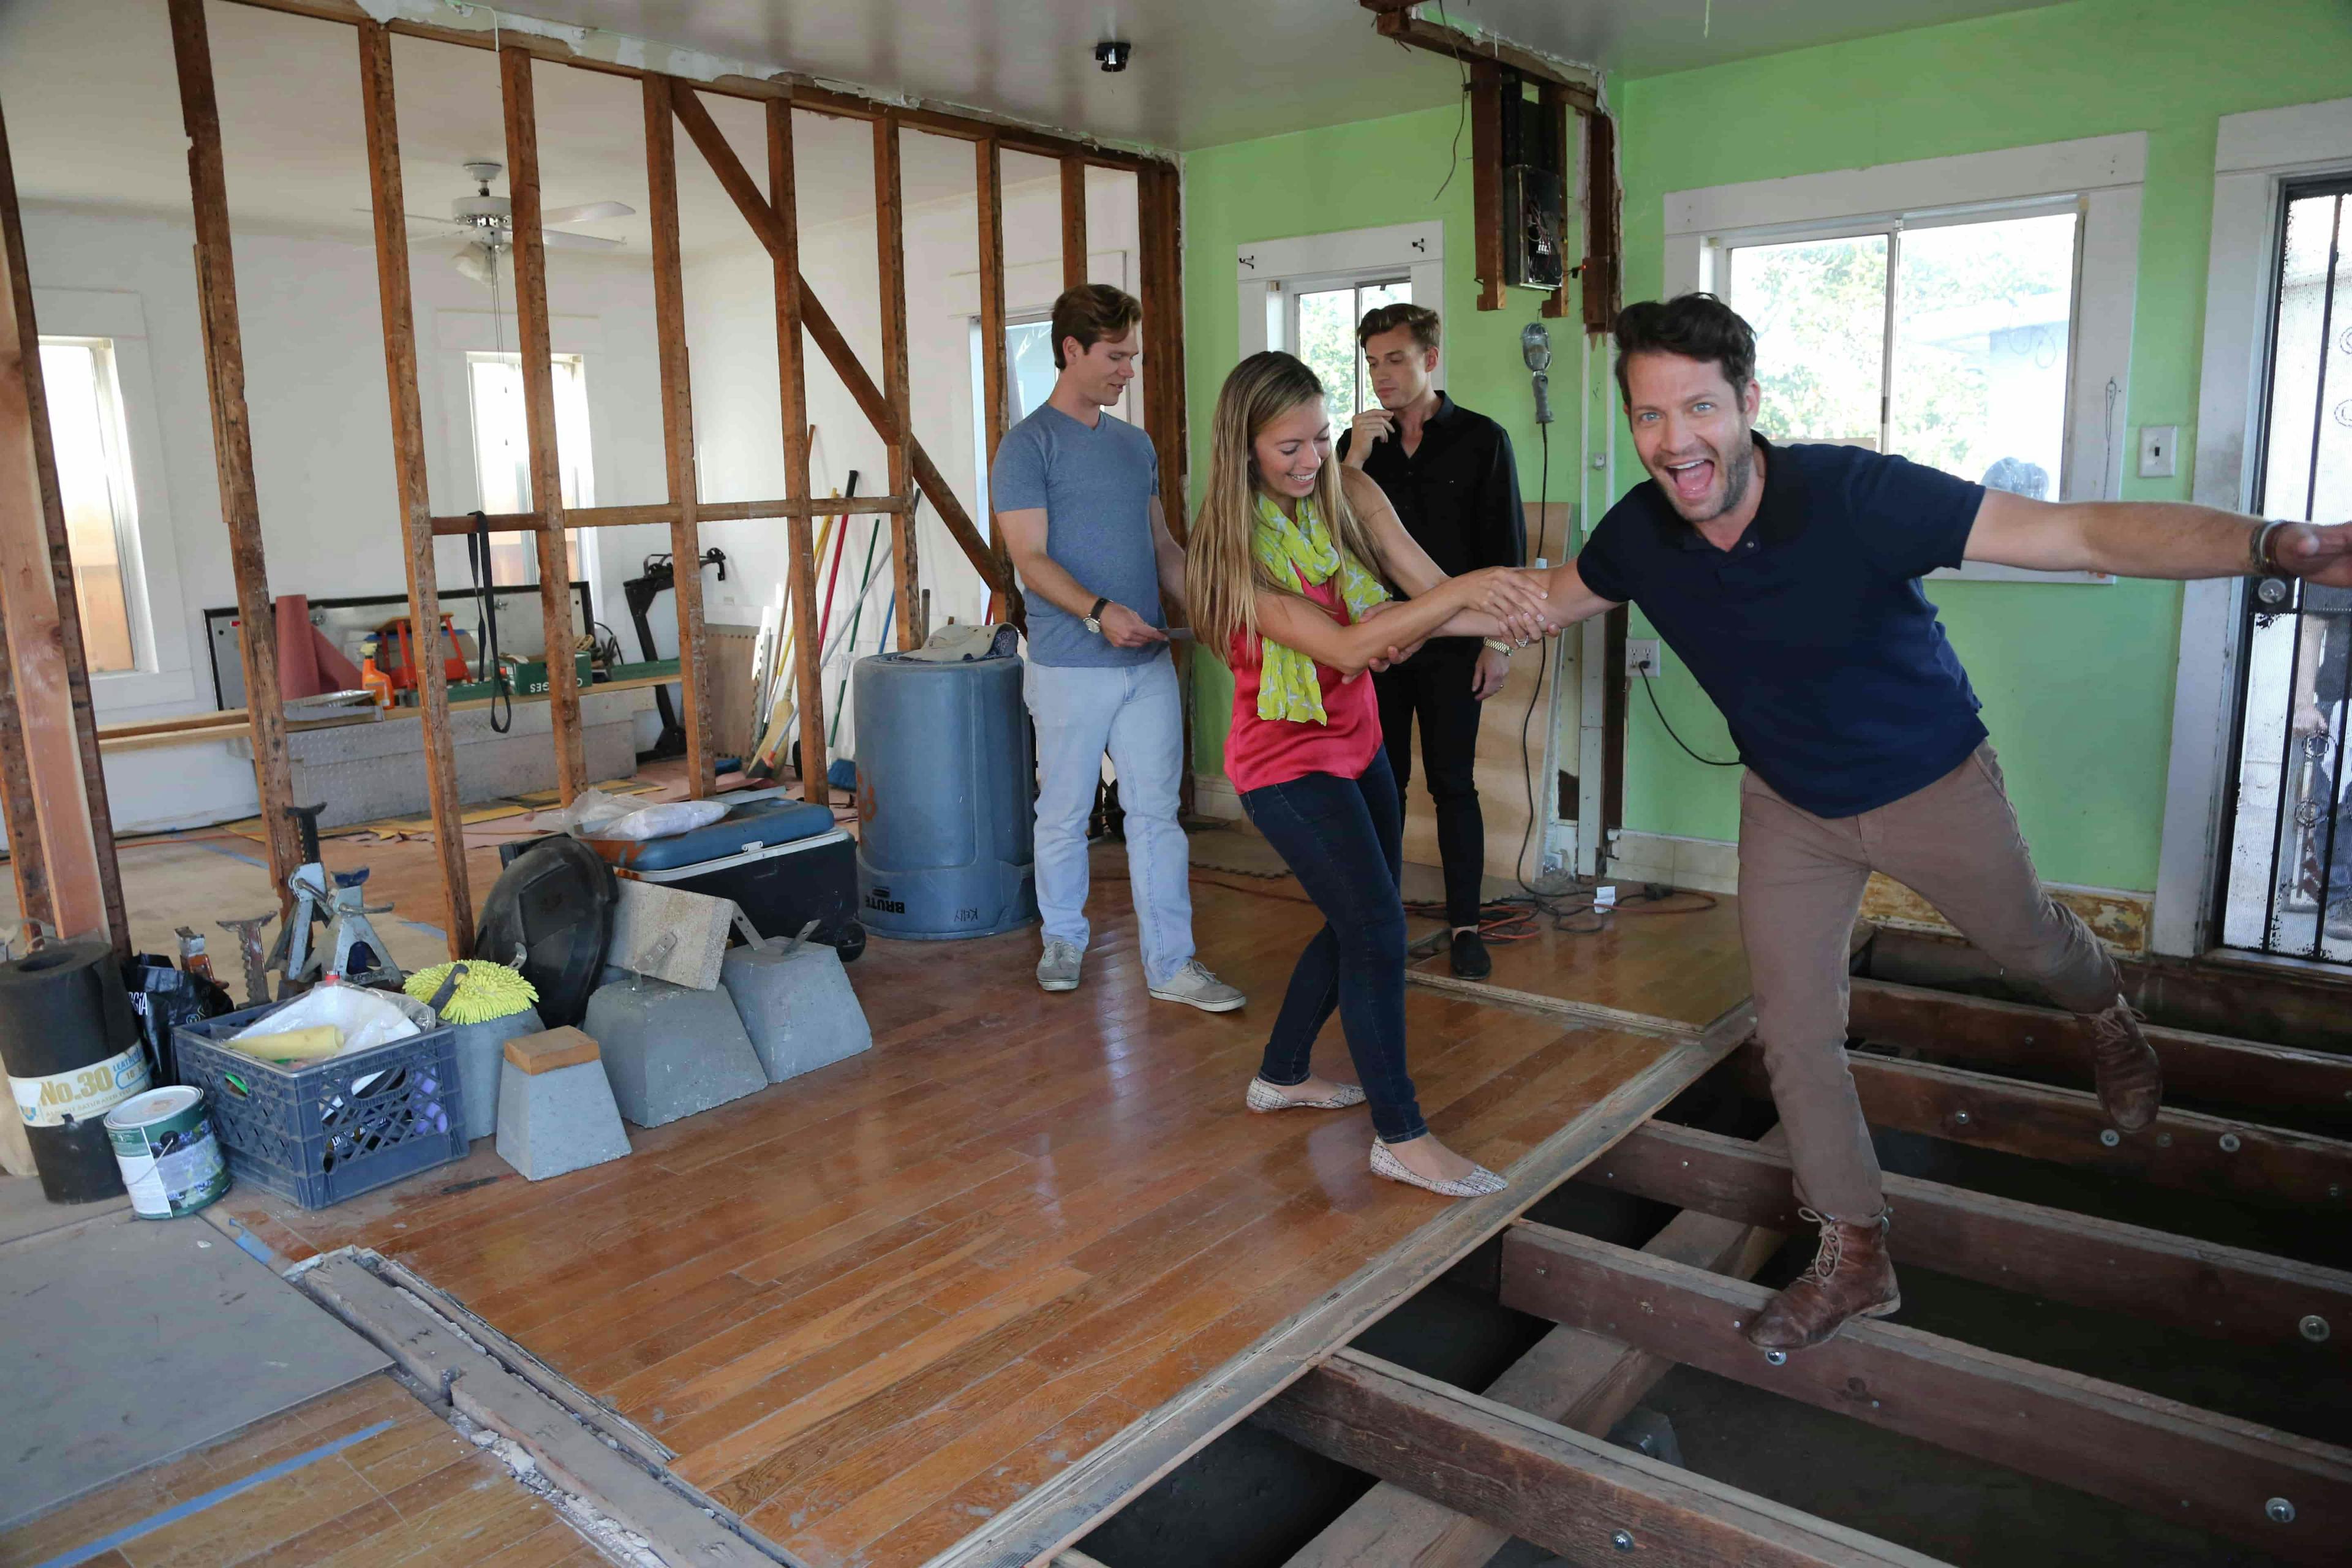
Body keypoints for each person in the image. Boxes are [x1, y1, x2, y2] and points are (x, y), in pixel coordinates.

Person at [1523, 293, 2352, 1348]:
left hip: (1931, 784)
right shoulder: (1639, 533)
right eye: (1649, 416)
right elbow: (1541, 598)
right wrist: (1459, 631)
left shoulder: (1855, 493)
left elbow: (2079, 527)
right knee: (1793, 1032)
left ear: (1748, 405)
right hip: (1790, 805)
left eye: (1699, 408)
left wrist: (2274, 544)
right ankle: (1856, 1254)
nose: (1676, 440)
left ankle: (2106, 1014)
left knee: (2031, 943)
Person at [1188, 352, 1553, 1197]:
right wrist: (1463, 598)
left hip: (1355, 745)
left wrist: (1509, 612)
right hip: (1281, 763)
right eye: (1289, 447)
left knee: (1361, 915)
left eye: (1322, 437)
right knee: (1380, 929)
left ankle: (1283, 1072)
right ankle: (1402, 1135)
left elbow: (1427, 589)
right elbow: (1352, 643)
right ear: (1241, 447)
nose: (1312, 459)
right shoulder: (1230, 550)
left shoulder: (1347, 491)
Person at [992, 284, 1244, 1012]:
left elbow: (1164, 548)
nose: (1128, 370)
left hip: (1146, 663)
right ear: (1071, 350)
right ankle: (1064, 938)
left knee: (1156, 815)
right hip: (1071, 666)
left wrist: (1213, 614)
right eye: (1117, 356)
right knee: (1065, 812)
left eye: (1132, 356)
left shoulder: (1136, 447)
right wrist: (1101, 613)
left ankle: (1173, 963)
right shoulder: (1027, 445)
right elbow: (1030, 561)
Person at [1340, 303, 1526, 979]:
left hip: (1454, 646)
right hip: (1383, 646)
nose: (1382, 375)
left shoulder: (1483, 439)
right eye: (1372, 363)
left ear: (1431, 359)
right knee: (1381, 784)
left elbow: (1506, 549)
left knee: (1453, 784)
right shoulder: (1355, 447)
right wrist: (1353, 457)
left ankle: (1466, 927)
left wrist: (1499, 646)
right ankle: (1380, 921)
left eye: (1395, 359)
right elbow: (1339, 547)